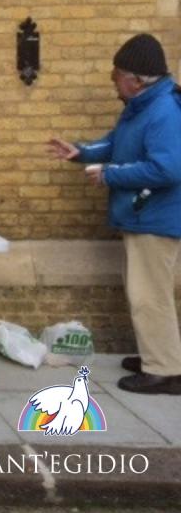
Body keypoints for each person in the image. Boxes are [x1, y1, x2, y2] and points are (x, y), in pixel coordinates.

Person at [48, 33, 181, 395]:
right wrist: (82, 152)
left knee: (149, 296)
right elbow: (116, 141)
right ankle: (159, 357)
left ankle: (164, 371)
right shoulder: (142, 107)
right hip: (143, 216)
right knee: (150, 293)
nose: (112, 82)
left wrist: (110, 174)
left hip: (154, 218)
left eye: (115, 76)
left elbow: (168, 169)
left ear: (135, 79)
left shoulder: (164, 111)